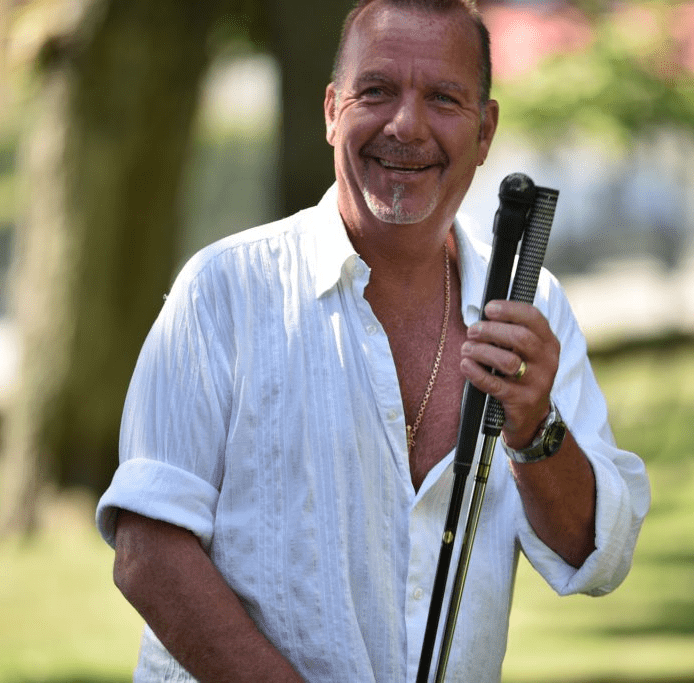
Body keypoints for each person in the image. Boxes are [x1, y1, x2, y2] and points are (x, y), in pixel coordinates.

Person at [95, 0, 650, 681]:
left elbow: (596, 552)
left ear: (485, 130)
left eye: (444, 97)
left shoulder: (529, 310)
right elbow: (148, 552)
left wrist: (534, 426)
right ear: (332, 110)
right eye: (376, 91)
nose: (406, 124)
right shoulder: (223, 293)